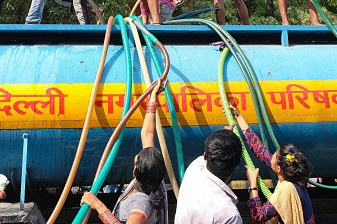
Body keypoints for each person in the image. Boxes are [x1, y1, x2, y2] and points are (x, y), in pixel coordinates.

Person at [81, 85, 168, 224]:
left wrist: (98, 205)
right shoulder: (154, 178)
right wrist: (153, 96)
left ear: (135, 171)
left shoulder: (141, 203)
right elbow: (147, 133)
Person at [230, 105, 315, 224]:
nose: (270, 157)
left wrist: (253, 185)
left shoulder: (285, 189)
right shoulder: (297, 178)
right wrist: (239, 118)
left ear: (279, 168)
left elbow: (259, 216)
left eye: (273, 156)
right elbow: (262, 152)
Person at [174, 128, 243, 224]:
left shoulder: (194, 169)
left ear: (205, 156)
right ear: (237, 165)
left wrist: (220, 139)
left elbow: (208, 155)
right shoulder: (229, 215)